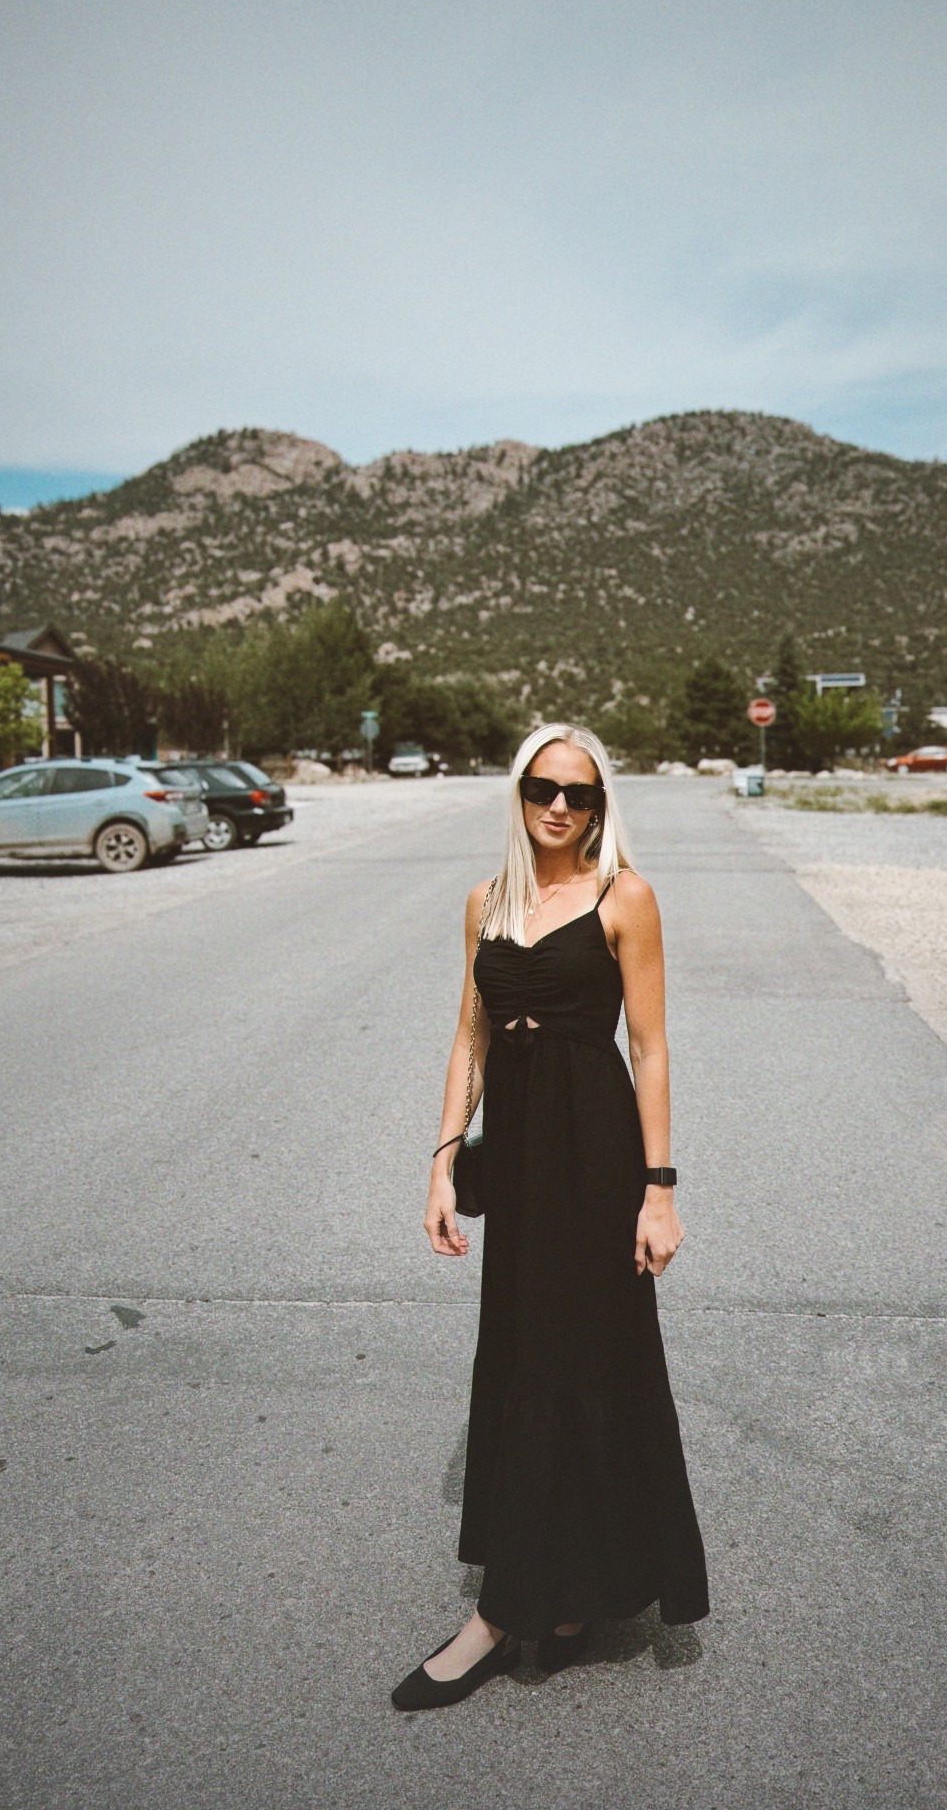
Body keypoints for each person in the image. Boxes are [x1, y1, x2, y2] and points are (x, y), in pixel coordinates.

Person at [391, 723, 709, 1710]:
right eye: (542, 788)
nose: (559, 806)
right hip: (521, 1159)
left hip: (597, 1155)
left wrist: (659, 1188)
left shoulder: (626, 898)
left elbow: (650, 1048)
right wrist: (443, 1160)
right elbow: (470, 1037)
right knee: (525, 1353)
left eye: (580, 792)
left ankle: (505, 1614)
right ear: (519, 794)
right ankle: (563, 1601)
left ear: (601, 805)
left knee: (588, 1358)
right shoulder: (486, 901)